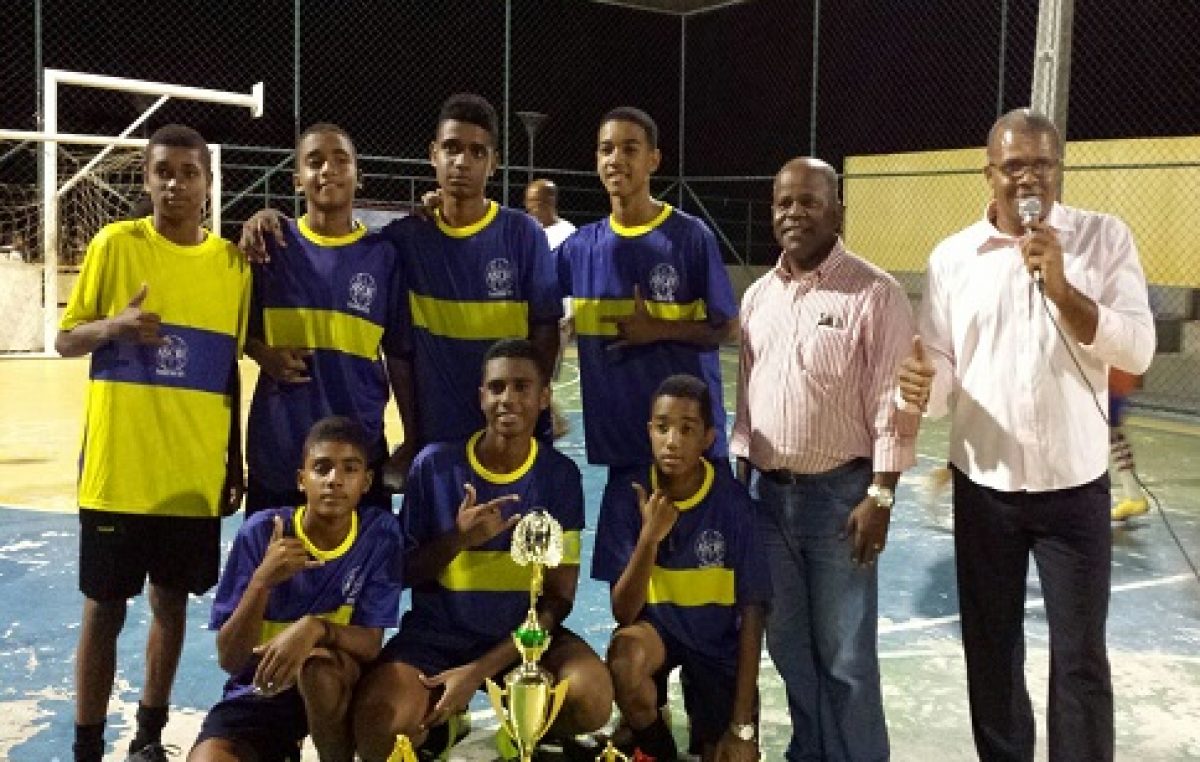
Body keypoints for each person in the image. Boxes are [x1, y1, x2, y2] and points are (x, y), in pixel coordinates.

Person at [897, 108, 1155, 762]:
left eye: (1042, 163)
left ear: (1058, 170)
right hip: (985, 494)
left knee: (1080, 660)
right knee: (992, 652)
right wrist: (928, 388)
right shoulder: (953, 259)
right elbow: (946, 361)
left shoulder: (1104, 239)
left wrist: (1065, 290)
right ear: (990, 174)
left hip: (1074, 492)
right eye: (1014, 165)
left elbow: (1139, 347)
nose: (1028, 176)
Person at [55, 124, 251, 762]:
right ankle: (87, 744)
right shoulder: (115, 244)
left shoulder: (231, 266)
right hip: (119, 471)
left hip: (190, 476)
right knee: (103, 611)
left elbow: (227, 370)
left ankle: (148, 736)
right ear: (146, 179)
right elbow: (66, 339)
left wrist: (235, 458)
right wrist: (114, 326)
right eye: (162, 171)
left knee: (171, 606)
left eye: (188, 172)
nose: (175, 182)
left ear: (207, 183)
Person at [240, 94, 562, 462]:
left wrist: (535, 400)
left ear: (494, 164)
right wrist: (265, 214)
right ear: (433, 155)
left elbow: (546, 330)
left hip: (513, 433)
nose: (462, 162)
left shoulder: (522, 234)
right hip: (437, 436)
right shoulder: (404, 240)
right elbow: (398, 352)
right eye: (452, 149)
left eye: (477, 152)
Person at [731, 157, 919, 761]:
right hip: (765, 498)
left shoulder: (875, 293)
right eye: (784, 203)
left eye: (809, 201)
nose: (794, 213)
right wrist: (740, 487)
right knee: (789, 648)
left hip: (841, 499)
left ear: (837, 211)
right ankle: (810, 752)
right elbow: (746, 402)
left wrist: (881, 495)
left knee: (846, 658)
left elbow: (893, 404)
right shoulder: (758, 297)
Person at [351, 339, 612, 761]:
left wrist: (478, 673)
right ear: (481, 397)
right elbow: (401, 574)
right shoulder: (435, 467)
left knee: (592, 698)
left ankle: (520, 724)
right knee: (379, 733)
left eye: (521, 387)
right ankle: (445, 727)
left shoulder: (559, 478)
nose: (507, 398)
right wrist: (458, 540)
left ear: (544, 398)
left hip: (520, 643)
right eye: (496, 387)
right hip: (434, 640)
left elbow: (558, 599)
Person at [188, 417, 403, 762]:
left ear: (367, 482)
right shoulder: (261, 534)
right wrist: (262, 582)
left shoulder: (379, 535)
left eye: (349, 469)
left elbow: (371, 644)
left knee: (317, 667)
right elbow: (231, 660)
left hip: (338, 690)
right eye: (322, 468)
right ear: (302, 480)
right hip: (260, 693)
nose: (335, 480)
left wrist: (315, 629)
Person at [593, 374, 770, 762]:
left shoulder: (735, 505)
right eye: (662, 428)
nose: (672, 440)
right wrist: (649, 539)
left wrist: (742, 725)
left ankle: (711, 725)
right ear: (649, 431)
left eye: (686, 429)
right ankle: (657, 748)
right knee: (625, 658)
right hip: (657, 635)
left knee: (730, 756)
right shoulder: (628, 493)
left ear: (708, 438)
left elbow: (753, 615)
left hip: (718, 649)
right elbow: (623, 612)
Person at [556, 106, 735, 486]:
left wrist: (659, 329)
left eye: (630, 148)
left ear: (653, 160)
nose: (616, 159)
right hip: (622, 448)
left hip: (690, 453)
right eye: (606, 150)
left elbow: (727, 328)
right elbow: (529, 298)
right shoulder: (580, 248)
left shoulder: (690, 237)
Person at [243, 122, 409, 513]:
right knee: (276, 570)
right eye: (314, 162)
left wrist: (413, 437)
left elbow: (400, 354)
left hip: (357, 452)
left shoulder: (384, 256)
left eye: (340, 160)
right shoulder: (271, 246)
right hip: (282, 451)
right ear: (298, 180)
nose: (327, 170)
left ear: (358, 176)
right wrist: (264, 353)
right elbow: (240, 332)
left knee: (363, 571)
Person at [1108, 368, 1149, 520]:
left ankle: (1134, 497)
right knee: (1112, 434)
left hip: (1108, 381)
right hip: (1112, 381)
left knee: (1111, 433)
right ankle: (1134, 496)